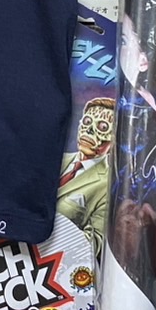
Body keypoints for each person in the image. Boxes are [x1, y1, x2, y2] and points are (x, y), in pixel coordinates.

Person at [56, 96, 116, 255]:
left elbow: (93, 244)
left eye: (102, 126)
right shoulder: (55, 158)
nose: (89, 131)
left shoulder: (108, 186)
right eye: (87, 122)